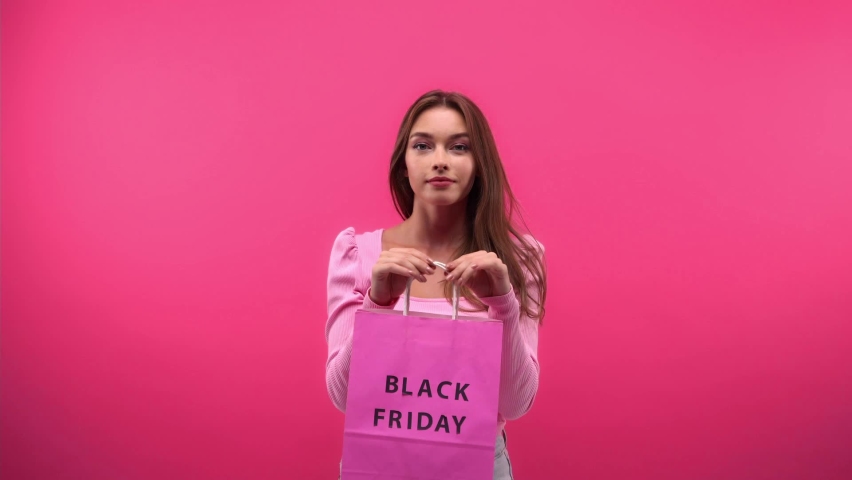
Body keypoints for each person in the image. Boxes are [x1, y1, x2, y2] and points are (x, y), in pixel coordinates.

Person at [325, 90, 547, 479]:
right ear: (403, 164)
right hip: (381, 463)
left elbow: (515, 404)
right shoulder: (358, 254)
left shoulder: (517, 260)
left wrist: (503, 302)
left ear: (479, 165)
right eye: (423, 145)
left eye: (459, 147)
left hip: (478, 465)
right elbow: (344, 397)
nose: (440, 160)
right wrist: (377, 304)